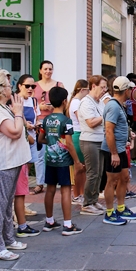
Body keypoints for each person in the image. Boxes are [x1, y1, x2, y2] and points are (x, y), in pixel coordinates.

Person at [0, 71, 31, 261]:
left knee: (6, 204)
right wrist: (18, 113)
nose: (11, 88)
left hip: (11, 161)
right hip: (1, 163)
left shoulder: (1, 107)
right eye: (8, 85)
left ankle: (8, 238)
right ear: (0, 89)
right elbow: (14, 131)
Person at [40, 86, 83, 236]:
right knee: (66, 190)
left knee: (50, 189)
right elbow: (70, 144)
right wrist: (77, 161)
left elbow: (41, 139)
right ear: (65, 101)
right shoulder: (67, 121)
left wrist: (51, 141)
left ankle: (49, 221)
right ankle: (67, 224)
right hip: (64, 162)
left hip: (50, 159)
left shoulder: (46, 120)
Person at [101, 77, 136, 225]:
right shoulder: (113, 106)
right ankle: (109, 213)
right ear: (126, 90)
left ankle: (121, 208)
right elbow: (109, 131)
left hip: (120, 148)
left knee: (124, 178)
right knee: (112, 181)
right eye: (130, 89)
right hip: (114, 150)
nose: (131, 91)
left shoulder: (118, 105)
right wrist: (114, 153)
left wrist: (128, 134)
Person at [13, 75, 41, 238]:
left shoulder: (34, 101)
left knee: (27, 169)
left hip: (31, 136)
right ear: (20, 86)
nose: (30, 89)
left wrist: (34, 126)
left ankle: (22, 206)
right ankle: (18, 210)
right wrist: (25, 126)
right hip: (23, 138)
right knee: (20, 174)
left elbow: (35, 115)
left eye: (33, 86)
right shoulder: (16, 100)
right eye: (27, 86)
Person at [32, 60, 64, 194]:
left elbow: (64, 101)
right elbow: (29, 104)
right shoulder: (33, 86)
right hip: (39, 121)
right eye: (45, 69)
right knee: (39, 153)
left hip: (54, 121)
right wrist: (40, 107)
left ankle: (56, 179)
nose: (48, 71)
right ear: (40, 71)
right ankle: (40, 182)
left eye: (50, 69)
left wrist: (53, 107)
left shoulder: (58, 84)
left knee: (56, 149)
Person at [76, 75, 107, 215]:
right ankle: (87, 203)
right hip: (90, 140)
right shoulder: (86, 102)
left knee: (99, 172)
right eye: (102, 87)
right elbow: (91, 122)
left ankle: (94, 200)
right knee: (92, 173)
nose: (104, 90)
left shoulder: (100, 102)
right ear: (93, 86)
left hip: (101, 140)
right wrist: (105, 116)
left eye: (105, 87)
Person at [67, 79, 89, 202]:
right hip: (78, 134)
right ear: (82, 90)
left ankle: (80, 193)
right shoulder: (76, 103)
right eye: (88, 90)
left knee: (83, 167)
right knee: (79, 167)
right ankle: (76, 194)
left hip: (80, 134)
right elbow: (80, 118)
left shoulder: (77, 102)